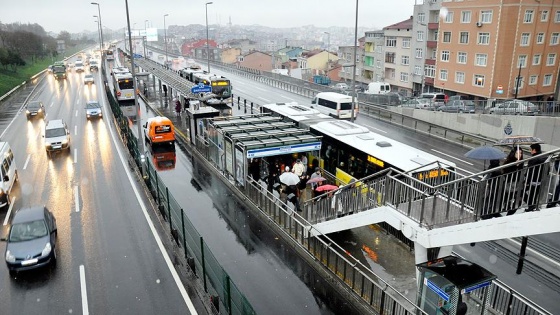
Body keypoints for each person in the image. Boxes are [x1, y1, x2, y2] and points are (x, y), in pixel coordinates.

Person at [524, 143, 547, 211]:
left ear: (534, 150)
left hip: (533, 180)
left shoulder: (534, 158)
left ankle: (531, 206)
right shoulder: (544, 157)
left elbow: (530, 170)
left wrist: (526, 180)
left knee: (525, 193)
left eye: (531, 149)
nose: (530, 151)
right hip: (539, 180)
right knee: (534, 194)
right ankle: (532, 206)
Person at [503, 148, 524, 215]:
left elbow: (520, 174)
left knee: (519, 201)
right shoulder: (508, 162)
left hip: (517, 185)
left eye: (520, 153)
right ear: (513, 154)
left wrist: (518, 166)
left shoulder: (521, 162)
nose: (519, 155)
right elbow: (507, 174)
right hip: (509, 185)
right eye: (517, 153)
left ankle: (510, 214)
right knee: (506, 200)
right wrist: (515, 166)